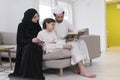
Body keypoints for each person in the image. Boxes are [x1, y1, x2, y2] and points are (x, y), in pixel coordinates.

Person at [53, 6, 96, 78]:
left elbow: (74, 29)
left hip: (67, 40)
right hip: (61, 42)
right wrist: (66, 40)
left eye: (61, 17)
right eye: (58, 17)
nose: (60, 19)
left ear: (63, 15)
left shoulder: (66, 22)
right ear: (54, 15)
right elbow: (54, 39)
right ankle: (83, 70)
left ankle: (77, 68)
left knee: (81, 41)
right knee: (73, 45)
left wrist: (75, 35)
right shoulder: (52, 24)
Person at [8, 8, 45, 80]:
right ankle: (26, 73)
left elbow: (41, 36)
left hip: (35, 45)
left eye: (37, 16)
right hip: (24, 46)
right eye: (35, 17)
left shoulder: (37, 26)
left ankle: (34, 72)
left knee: (35, 48)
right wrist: (31, 40)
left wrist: (40, 41)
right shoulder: (21, 25)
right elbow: (20, 40)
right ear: (29, 16)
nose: (37, 19)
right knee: (29, 48)